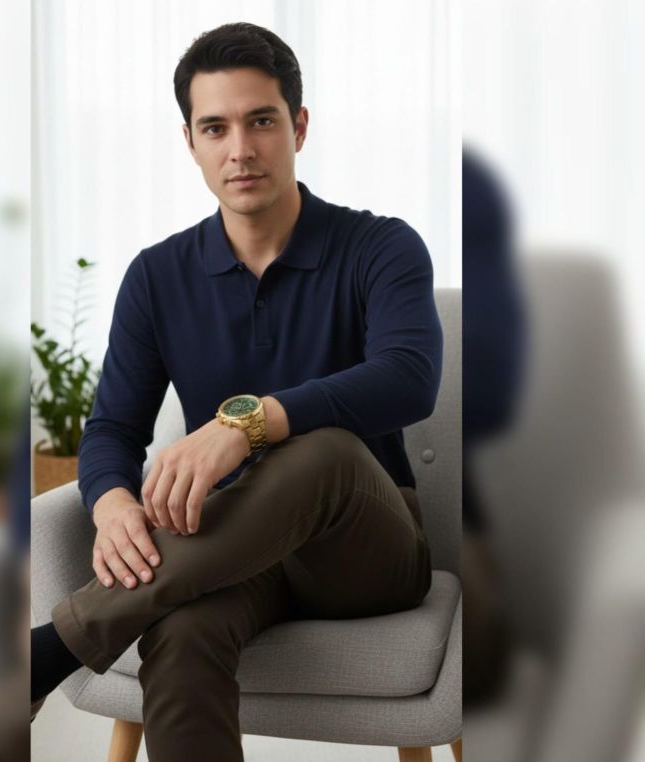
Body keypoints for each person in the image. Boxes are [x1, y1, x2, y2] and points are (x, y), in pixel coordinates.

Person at [31, 22, 443, 762]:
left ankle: (52, 648)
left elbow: (410, 378)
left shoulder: (381, 247)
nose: (240, 150)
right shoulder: (157, 276)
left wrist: (246, 424)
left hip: (364, 549)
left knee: (324, 452)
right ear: (189, 141)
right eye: (215, 128)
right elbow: (112, 429)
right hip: (230, 548)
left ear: (299, 126)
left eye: (261, 121)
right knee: (179, 635)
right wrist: (112, 503)